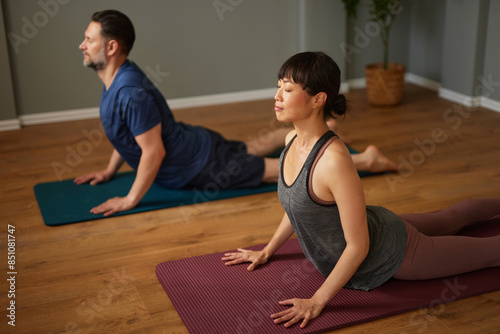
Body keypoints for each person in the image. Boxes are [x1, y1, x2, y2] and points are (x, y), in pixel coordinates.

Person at [222, 51, 500, 329]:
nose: (277, 96)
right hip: (379, 224)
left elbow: (358, 246)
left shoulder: (334, 161)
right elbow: (295, 206)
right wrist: (267, 251)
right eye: (279, 85)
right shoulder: (291, 139)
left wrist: (317, 301)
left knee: (490, 252)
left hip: (394, 254)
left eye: (288, 88)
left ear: (318, 99)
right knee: (450, 218)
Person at [75, 10, 398, 217]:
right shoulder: (119, 79)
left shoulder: (129, 92)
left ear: (112, 47)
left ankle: (366, 159)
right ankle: (322, 125)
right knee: (245, 150)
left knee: (275, 169)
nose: (82, 45)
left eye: (89, 39)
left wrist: (130, 199)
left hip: (197, 165)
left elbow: (152, 151)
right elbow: (128, 132)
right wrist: (108, 170)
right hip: (195, 144)